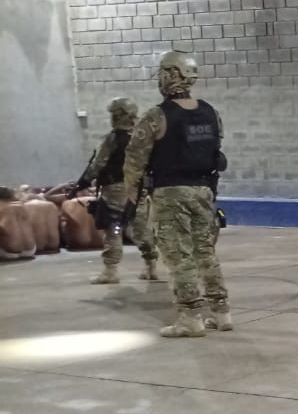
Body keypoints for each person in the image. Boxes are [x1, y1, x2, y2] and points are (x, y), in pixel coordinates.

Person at [114, 50, 230, 337]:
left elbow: (134, 159)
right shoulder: (210, 112)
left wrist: (132, 193)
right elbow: (216, 152)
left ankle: (190, 317)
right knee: (206, 252)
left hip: (170, 195)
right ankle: (220, 312)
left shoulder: (157, 115)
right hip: (204, 192)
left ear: (170, 75)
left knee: (179, 256)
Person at [77, 97, 160, 284]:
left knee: (113, 228)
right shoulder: (143, 137)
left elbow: (99, 164)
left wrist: (83, 182)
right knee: (141, 229)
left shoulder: (113, 138)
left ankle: (111, 271)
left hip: (116, 190)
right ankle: (151, 266)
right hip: (138, 189)